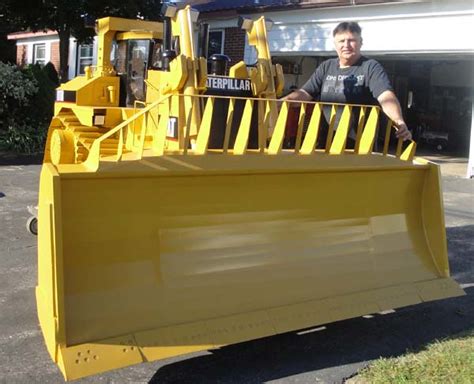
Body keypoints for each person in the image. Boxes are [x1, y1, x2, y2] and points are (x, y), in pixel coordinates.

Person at [282, 21, 412, 143]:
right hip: (326, 142)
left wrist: (398, 120)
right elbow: (305, 93)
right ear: (335, 44)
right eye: (341, 41)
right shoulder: (326, 66)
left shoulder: (370, 67)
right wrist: (281, 102)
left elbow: (386, 96)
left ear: (361, 42)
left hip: (359, 146)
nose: (346, 45)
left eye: (352, 40)